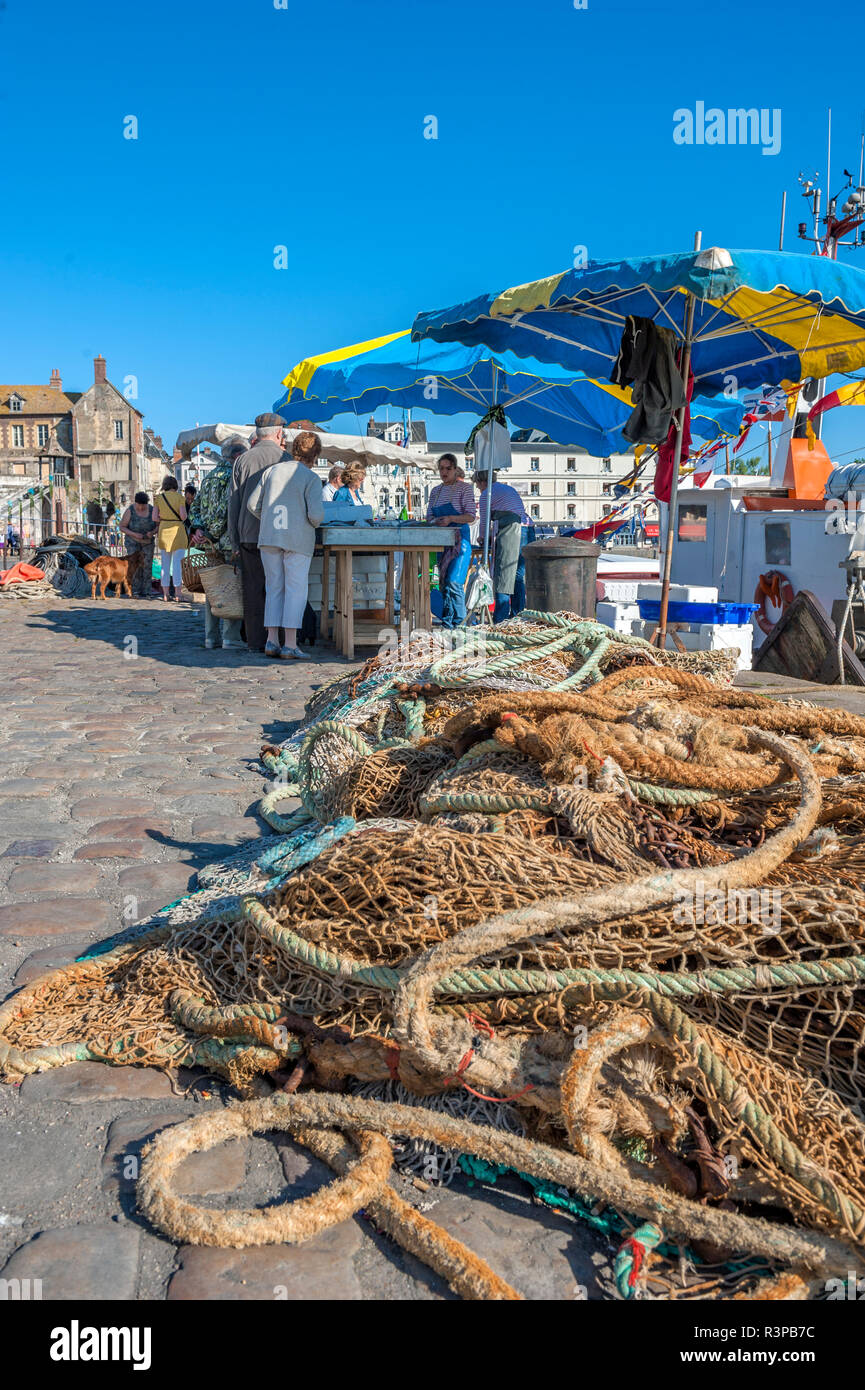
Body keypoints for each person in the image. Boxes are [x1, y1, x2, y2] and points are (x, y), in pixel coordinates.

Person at [246, 430, 324, 660]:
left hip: (270, 536)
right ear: (315, 454)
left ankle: (271, 640)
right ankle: (290, 643)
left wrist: (268, 518)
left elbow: (252, 505)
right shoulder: (310, 478)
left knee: (274, 588)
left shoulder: (271, 472)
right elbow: (316, 516)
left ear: (293, 449)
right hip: (297, 539)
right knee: (295, 590)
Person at [227, 412, 291, 653]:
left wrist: (234, 539)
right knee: (278, 587)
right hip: (279, 533)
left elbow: (233, 503)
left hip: (249, 535)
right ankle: (280, 639)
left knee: (253, 589)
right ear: (277, 433)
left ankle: (255, 640)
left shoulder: (242, 460)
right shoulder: (285, 458)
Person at [188, 438, 247, 649]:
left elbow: (194, 509)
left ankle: (210, 636)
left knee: (213, 588)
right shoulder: (232, 476)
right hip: (226, 542)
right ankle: (230, 637)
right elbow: (224, 512)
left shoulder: (209, 477)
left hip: (208, 544)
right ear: (238, 456)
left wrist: (198, 529)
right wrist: (212, 534)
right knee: (231, 586)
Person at [426, 453, 476, 629]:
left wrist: (450, 518)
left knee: (455, 582)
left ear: (455, 469)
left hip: (460, 540)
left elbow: (471, 516)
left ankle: (461, 625)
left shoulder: (465, 488)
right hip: (442, 541)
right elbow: (429, 516)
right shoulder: (435, 491)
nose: (444, 472)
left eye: (448, 468)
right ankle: (448, 625)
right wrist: (435, 521)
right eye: (441, 469)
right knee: (444, 585)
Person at [475, 470, 529, 623]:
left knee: (503, 576)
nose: (478, 488)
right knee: (518, 576)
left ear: (481, 481)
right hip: (526, 528)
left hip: (511, 529)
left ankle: (501, 620)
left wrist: (483, 538)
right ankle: (518, 616)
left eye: (477, 485)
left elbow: (485, 522)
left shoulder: (487, 494)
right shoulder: (508, 489)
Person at [119, 492, 159, 598]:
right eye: (139, 505)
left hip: (147, 543)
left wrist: (152, 532)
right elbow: (122, 527)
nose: (141, 508)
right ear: (135, 503)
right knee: (135, 565)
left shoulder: (151, 510)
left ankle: (146, 591)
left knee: (147, 565)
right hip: (132, 542)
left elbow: (158, 526)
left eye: (143, 505)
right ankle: (135, 590)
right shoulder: (130, 511)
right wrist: (134, 534)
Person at [155, 476, 187, 602]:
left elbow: (154, 517)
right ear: (175, 486)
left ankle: (165, 594)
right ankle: (178, 594)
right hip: (177, 531)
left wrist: (164, 517)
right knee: (178, 565)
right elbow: (183, 516)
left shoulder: (159, 498)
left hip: (164, 531)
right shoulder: (180, 498)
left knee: (165, 565)